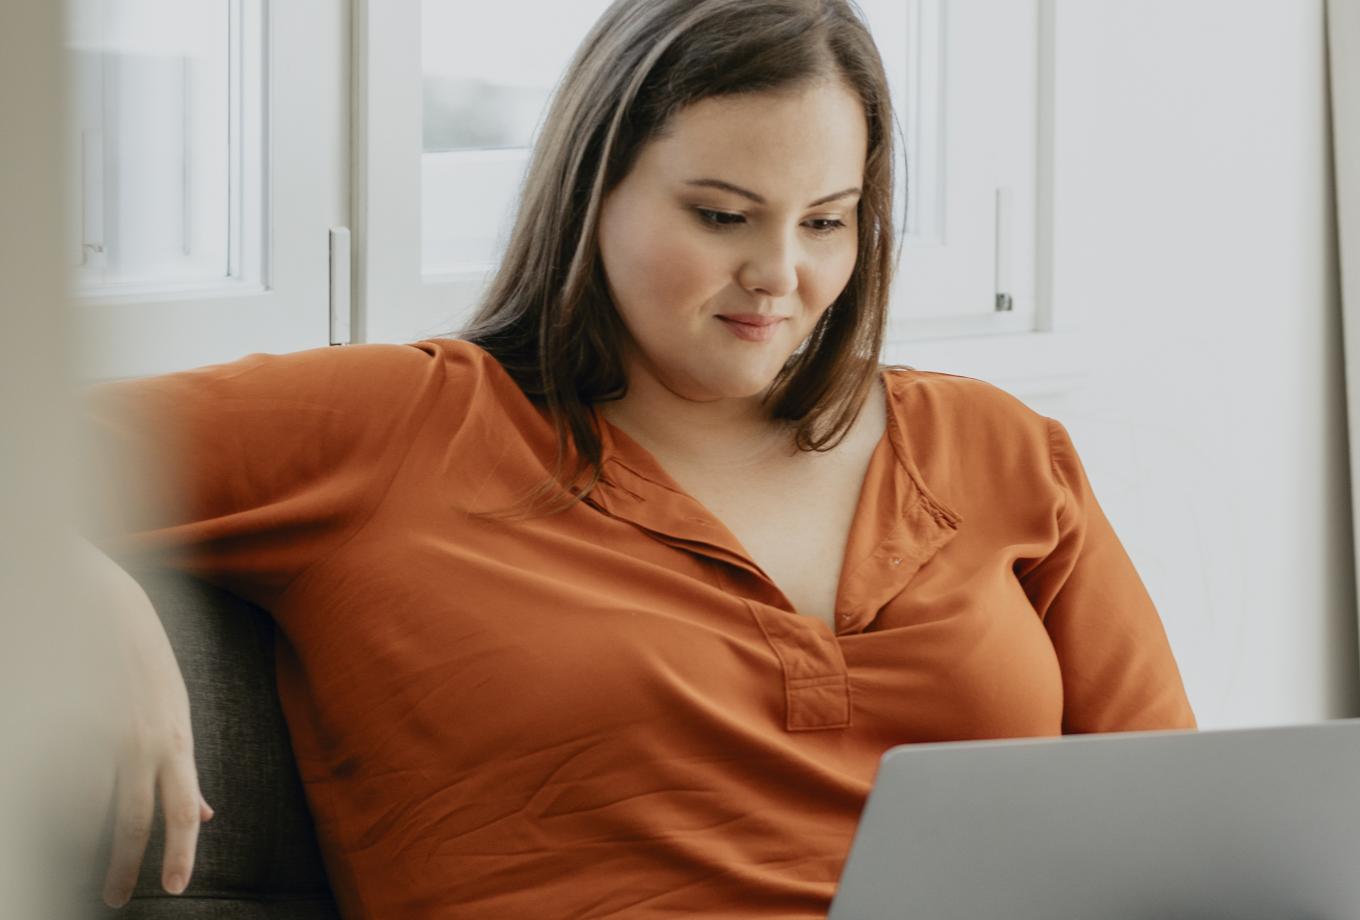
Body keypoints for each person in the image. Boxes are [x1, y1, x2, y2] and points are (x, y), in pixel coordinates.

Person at [77, 0, 1197, 915]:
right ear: (592, 192)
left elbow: (1185, 822)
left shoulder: (998, 448)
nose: (781, 274)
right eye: (721, 215)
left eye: (827, 221)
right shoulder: (398, 421)